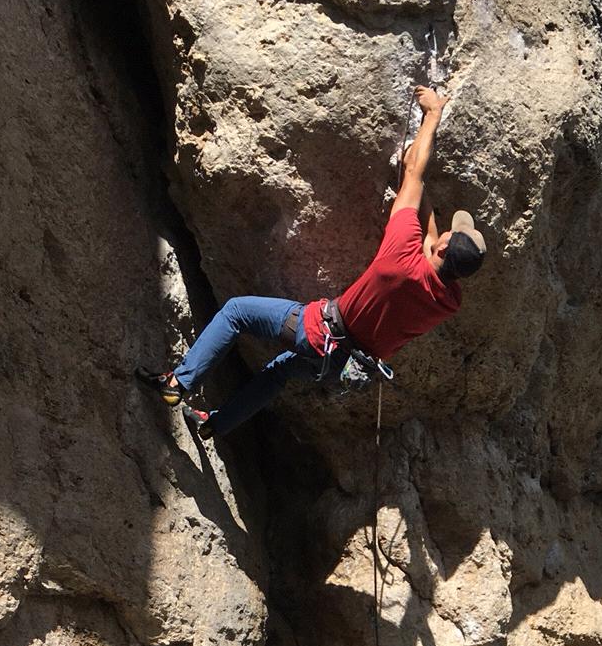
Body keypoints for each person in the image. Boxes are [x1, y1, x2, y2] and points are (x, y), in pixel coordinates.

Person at [135, 85, 485, 440]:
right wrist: (422, 195)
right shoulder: (447, 302)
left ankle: (178, 383)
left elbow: (414, 177)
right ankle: (214, 424)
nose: (443, 233)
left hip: (317, 330)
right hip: (340, 366)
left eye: (448, 236)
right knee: (279, 372)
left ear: (443, 250)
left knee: (236, 312)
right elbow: (431, 240)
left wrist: (432, 116)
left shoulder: (401, 255)